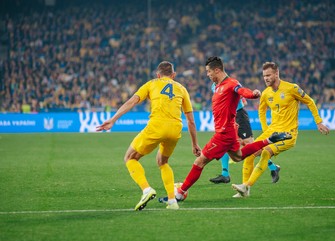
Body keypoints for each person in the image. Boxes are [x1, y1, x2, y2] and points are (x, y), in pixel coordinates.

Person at [158, 57, 292, 203]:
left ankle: (179, 194)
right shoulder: (217, 86)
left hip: (223, 134)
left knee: (199, 162)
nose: (208, 75)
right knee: (238, 156)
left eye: (209, 71)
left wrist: (253, 94)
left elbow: (242, 91)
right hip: (229, 131)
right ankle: (270, 140)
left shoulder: (231, 83)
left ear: (217, 70)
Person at [96, 61, 201, 210]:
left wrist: (113, 119)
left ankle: (146, 189)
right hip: (175, 129)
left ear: (158, 75)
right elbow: (191, 121)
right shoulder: (182, 89)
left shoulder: (152, 83)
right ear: (174, 75)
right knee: (163, 162)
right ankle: (172, 201)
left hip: (157, 126)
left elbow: (132, 101)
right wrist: (194, 144)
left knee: (130, 157)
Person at [232, 61, 330, 197]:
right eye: (264, 76)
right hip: (272, 131)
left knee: (265, 152)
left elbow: (310, 101)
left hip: (288, 134)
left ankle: (246, 186)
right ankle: (244, 190)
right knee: (249, 154)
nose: (266, 78)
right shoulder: (266, 93)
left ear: (276, 73)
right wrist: (266, 129)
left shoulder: (292, 88)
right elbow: (261, 111)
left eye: (268, 75)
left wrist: (318, 122)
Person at [209, 97, 281, 184]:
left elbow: (244, 102)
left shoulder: (232, 83)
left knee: (250, 146)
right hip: (227, 117)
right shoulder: (215, 87)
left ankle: (273, 167)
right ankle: (225, 174)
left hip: (239, 116)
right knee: (225, 142)